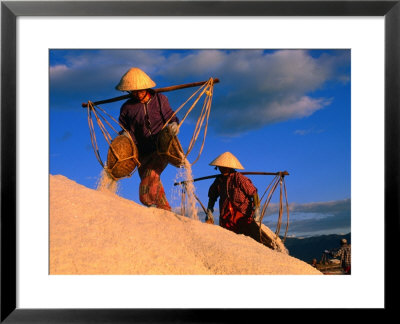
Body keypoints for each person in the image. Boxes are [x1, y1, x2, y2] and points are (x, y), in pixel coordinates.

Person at [117, 67, 179, 211]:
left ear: (146, 87)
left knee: (151, 174)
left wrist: (174, 124)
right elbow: (125, 127)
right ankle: (164, 210)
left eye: (140, 90)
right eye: (133, 91)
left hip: (161, 147)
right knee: (152, 180)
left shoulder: (160, 99)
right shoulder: (127, 107)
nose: (137, 94)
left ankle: (151, 205)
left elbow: (170, 116)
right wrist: (125, 135)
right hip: (141, 151)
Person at [205, 152, 261, 238]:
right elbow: (212, 197)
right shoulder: (219, 181)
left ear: (230, 168)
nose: (222, 169)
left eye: (225, 168)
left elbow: (254, 193)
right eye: (221, 167)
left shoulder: (240, 178)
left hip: (243, 218)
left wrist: (257, 210)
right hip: (226, 218)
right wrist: (209, 212)